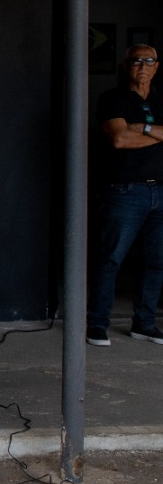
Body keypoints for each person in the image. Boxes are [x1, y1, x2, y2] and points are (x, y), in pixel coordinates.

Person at [87, 44, 163, 346]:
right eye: (136, 61)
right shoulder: (112, 99)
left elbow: (130, 133)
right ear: (125, 66)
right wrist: (157, 133)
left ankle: (144, 324)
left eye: (148, 61)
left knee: (156, 262)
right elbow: (119, 139)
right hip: (125, 191)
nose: (142, 66)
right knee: (111, 259)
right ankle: (97, 324)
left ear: (157, 66)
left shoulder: (161, 99)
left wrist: (141, 127)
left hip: (161, 190)